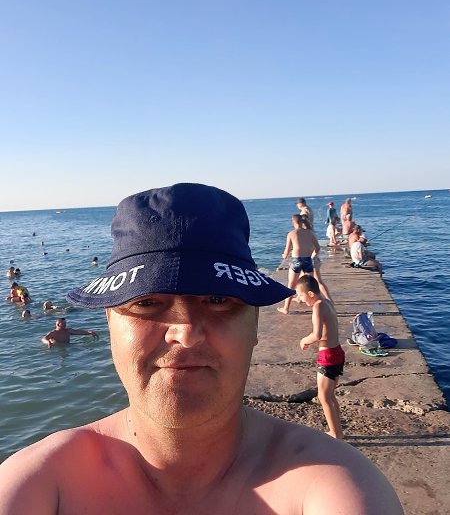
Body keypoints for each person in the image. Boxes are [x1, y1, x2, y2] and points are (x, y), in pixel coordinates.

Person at [0, 183, 403, 514]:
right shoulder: (39, 485)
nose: (186, 333)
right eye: (147, 302)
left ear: (255, 322)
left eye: (218, 300)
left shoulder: (330, 485)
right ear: (110, 322)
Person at [297, 275, 345, 439]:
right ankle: (338, 430)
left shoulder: (317, 307)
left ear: (310, 294)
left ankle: (335, 434)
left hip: (328, 356)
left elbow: (316, 335)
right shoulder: (328, 302)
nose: (300, 299)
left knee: (323, 397)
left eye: (301, 295)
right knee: (330, 395)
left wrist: (304, 340)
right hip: (337, 351)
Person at [277, 214, 320, 315]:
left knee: (291, 286)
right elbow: (317, 247)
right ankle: (315, 307)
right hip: (308, 260)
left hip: (296, 260)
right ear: (302, 221)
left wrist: (285, 256)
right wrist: (313, 256)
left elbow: (287, 251)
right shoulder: (310, 233)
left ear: (293, 222)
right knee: (310, 285)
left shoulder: (292, 233)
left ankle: (286, 308)